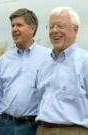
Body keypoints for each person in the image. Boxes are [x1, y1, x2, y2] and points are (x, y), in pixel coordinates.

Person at [0, 8, 50, 135]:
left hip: (33, 126)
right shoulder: (4, 59)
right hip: (5, 125)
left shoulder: (48, 57)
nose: (14, 29)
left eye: (19, 25)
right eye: (12, 25)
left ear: (32, 28)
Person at [36, 7, 88, 135]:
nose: (54, 31)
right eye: (51, 26)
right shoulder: (44, 63)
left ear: (75, 30)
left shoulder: (84, 61)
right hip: (42, 129)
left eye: (60, 26)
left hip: (73, 130)